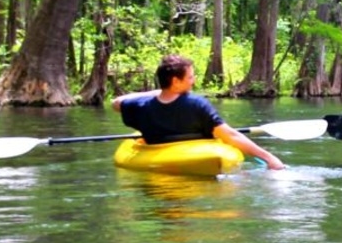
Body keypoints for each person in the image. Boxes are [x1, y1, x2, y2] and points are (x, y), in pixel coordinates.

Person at [111, 55, 286, 169]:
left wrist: (157, 92)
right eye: (190, 77)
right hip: (199, 154)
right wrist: (269, 157)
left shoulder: (140, 106)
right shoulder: (197, 104)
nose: (193, 81)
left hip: (159, 159)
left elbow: (116, 103)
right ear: (175, 81)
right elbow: (231, 136)